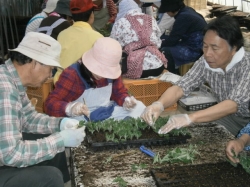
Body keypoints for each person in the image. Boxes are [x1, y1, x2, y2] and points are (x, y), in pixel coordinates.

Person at [0, 32, 86, 186]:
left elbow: (29, 119)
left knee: (54, 147)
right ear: (35, 62)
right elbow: (11, 154)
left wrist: (60, 124)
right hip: (6, 155)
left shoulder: (12, 80)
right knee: (50, 177)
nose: (49, 75)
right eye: (50, 69)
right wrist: (59, 140)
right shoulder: (4, 89)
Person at [141, 15, 250, 137]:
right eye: (205, 46)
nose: (208, 54)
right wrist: (159, 104)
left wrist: (190, 118)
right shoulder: (205, 61)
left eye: (215, 48)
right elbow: (181, 87)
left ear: (234, 48)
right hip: (227, 116)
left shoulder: (247, 65)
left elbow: (233, 105)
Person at [45, 37, 146, 121]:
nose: (102, 75)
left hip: (106, 112)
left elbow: (118, 92)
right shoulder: (72, 74)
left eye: (107, 71)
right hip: (82, 118)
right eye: (99, 69)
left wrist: (125, 100)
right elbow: (50, 104)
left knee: (140, 108)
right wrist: (69, 108)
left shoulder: (113, 74)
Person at [110, 0, 167, 79]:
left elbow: (113, 45)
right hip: (158, 67)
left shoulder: (120, 22)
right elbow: (158, 43)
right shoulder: (150, 18)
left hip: (135, 69)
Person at [53, 0, 103, 83]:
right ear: (91, 15)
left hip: (60, 84)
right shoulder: (98, 38)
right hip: (83, 88)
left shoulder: (62, 34)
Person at [159, 0, 207, 74]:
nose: (167, 13)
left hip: (195, 50)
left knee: (165, 51)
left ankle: (173, 74)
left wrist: (157, 45)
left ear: (171, 9)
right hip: (195, 44)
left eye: (167, 11)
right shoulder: (187, 10)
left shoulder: (183, 17)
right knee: (164, 39)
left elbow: (172, 40)